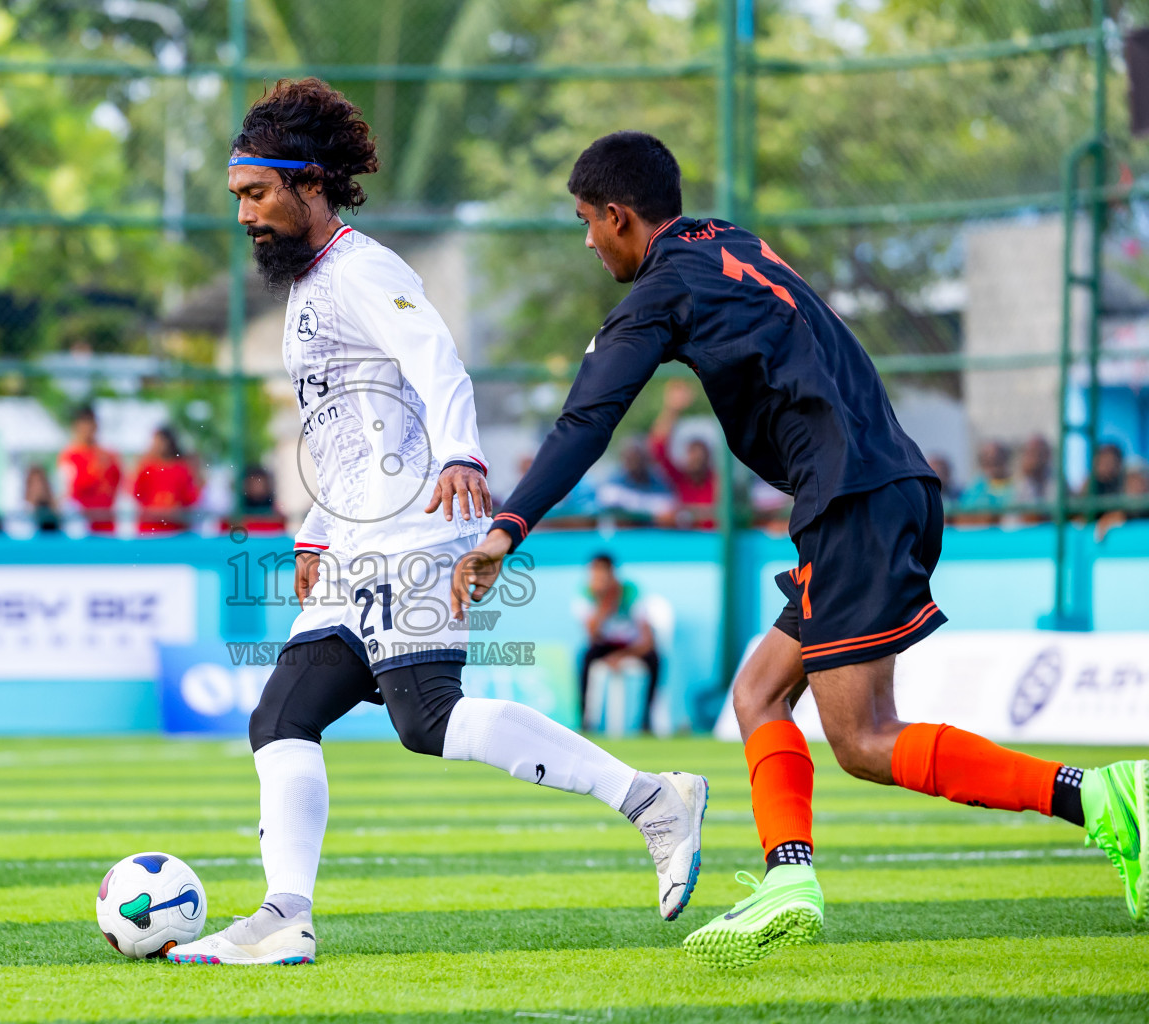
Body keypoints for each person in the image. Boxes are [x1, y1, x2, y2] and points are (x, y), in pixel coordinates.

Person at [450, 130, 1146, 967]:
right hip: (877, 484)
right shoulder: (731, 242)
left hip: (852, 496)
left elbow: (585, 422)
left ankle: (1103, 795)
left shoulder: (660, 290)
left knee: (862, 740)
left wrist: (504, 530)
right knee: (759, 691)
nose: (587, 240)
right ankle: (790, 879)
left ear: (617, 215)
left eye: (585, 222)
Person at [168, 81, 707, 968]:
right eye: (238, 199)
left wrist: (464, 455)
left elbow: (436, 360)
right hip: (354, 537)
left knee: (427, 719)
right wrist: (314, 527)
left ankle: (651, 798)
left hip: (416, 524)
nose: (245, 216)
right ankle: (284, 917)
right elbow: (344, 432)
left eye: (255, 194)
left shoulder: (363, 268)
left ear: (310, 185)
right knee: (281, 716)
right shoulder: (306, 291)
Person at [574, 553, 661, 733]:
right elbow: (592, 636)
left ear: (613, 574)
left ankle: (646, 721)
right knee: (585, 657)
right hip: (604, 645)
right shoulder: (585, 595)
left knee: (655, 660)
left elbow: (648, 640)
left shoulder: (631, 593)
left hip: (631, 646)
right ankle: (585, 721)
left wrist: (621, 656)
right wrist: (605, 604)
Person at [648, 380, 716, 527]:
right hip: (683, 541)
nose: (696, 457)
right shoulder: (679, 478)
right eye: (692, 452)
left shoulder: (718, 482)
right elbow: (657, 445)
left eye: (700, 452)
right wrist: (672, 409)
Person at [57, 405, 122, 534]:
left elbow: (118, 483)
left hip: (105, 523)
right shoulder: (69, 456)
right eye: (83, 423)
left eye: (90, 423)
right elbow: (68, 489)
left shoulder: (109, 455)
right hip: (80, 524)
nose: (87, 428)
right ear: (76, 427)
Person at [131, 427, 200, 535]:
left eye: (159, 441)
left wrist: (175, 510)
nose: (156, 445)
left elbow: (190, 498)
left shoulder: (182, 469)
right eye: (154, 441)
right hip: (149, 529)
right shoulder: (146, 468)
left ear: (169, 443)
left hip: (175, 530)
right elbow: (136, 493)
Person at [594, 437, 676, 525]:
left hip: (652, 535)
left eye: (638, 456)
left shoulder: (660, 483)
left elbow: (669, 510)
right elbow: (611, 508)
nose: (635, 461)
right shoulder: (612, 482)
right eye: (630, 457)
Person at [954, 440, 1014, 525]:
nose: (993, 460)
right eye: (988, 458)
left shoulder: (1018, 485)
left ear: (1005, 458)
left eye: (997, 457)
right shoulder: (974, 488)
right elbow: (964, 516)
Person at [227, 464, 287, 536]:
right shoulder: (239, 512)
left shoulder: (274, 511)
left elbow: (280, 528)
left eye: (260, 484)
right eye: (253, 484)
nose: (257, 488)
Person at [24, 464, 61, 533]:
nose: (38, 487)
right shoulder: (22, 509)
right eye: (34, 484)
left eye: (41, 482)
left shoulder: (57, 509)